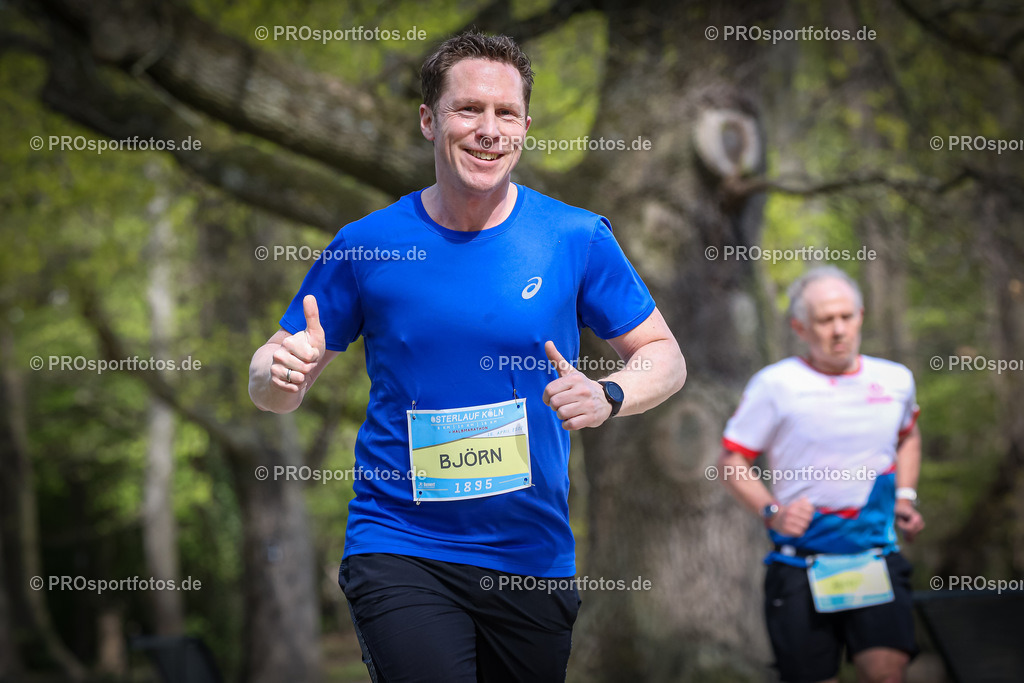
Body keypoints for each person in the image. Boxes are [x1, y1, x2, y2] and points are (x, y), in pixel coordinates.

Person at [248, 31, 685, 682]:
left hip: (531, 556)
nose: (488, 129)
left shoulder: (573, 236)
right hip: (400, 543)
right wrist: (275, 372)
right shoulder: (368, 244)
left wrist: (608, 394)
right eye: (468, 109)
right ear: (429, 120)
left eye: (506, 113)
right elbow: (274, 377)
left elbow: (664, 355)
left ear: (525, 127)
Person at [718, 265, 925, 683]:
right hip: (801, 564)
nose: (838, 330)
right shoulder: (775, 385)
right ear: (800, 326)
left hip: (874, 556)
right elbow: (731, 460)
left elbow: (909, 436)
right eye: (824, 320)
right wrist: (772, 511)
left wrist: (905, 497)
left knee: (887, 673)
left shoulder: (895, 380)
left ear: (861, 316)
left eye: (846, 317)